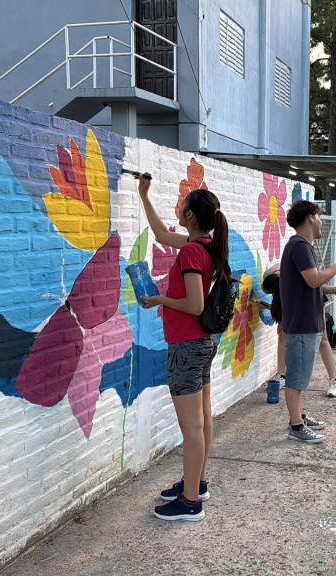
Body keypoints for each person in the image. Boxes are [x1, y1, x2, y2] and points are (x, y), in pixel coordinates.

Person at [136, 174, 230, 522]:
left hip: (187, 344)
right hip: (202, 343)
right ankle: (197, 483)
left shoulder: (192, 251)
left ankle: (191, 503)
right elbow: (161, 235)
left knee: (192, 427)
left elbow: (193, 305)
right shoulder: (204, 244)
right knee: (203, 419)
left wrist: (157, 298)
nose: (179, 208)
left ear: (191, 215)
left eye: (182, 205)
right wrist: (144, 195)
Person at [279, 200, 336, 443]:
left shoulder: (302, 246)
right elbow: (313, 279)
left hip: (306, 322)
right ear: (310, 218)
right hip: (301, 324)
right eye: (319, 216)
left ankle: (299, 415)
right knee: (297, 378)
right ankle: (296, 427)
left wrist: (332, 289)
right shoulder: (300, 246)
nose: (321, 221)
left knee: (301, 377)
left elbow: (312, 284)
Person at [261, 265, 336, 398]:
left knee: (323, 339)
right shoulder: (277, 285)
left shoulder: (298, 270)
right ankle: (281, 376)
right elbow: (268, 291)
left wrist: (333, 290)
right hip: (292, 302)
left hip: (312, 300)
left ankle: (334, 380)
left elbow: (317, 284)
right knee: (282, 334)